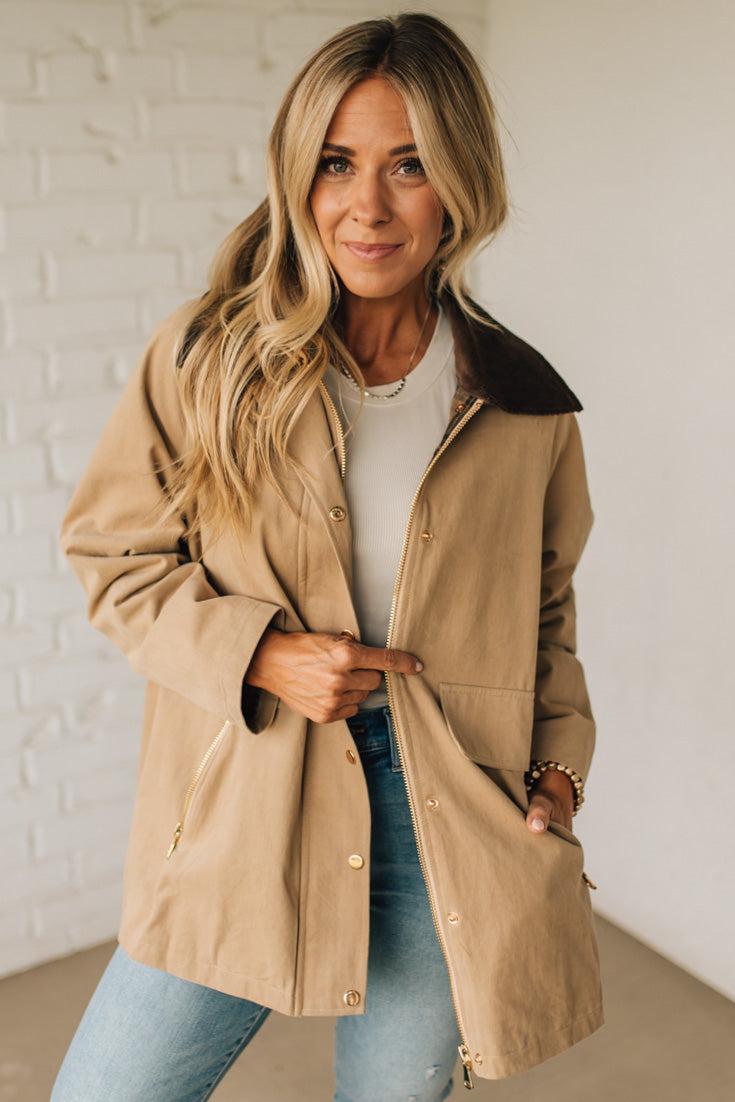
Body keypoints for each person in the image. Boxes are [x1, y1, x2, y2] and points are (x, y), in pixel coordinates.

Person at [51, 11, 603, 1101]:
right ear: (297, 173)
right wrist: (262, 653)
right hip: (247, 799)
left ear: (460, 178)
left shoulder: (523, 401)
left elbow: (545, 609)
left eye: (410, 164)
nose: (368, 205)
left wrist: (559, 761)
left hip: (446, 810)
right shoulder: (211, 359)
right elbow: (113, 556)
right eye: (338, 162)